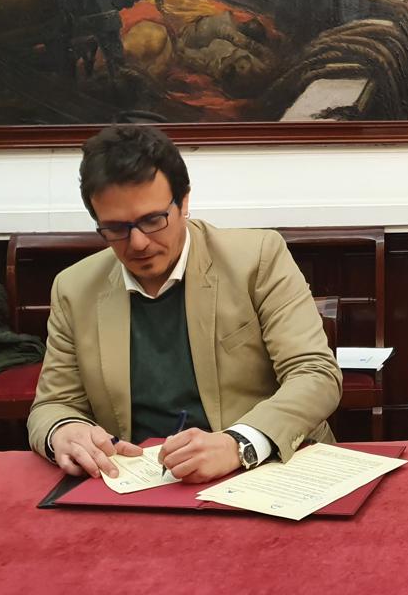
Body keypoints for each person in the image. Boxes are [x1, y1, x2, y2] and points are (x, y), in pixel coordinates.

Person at [28, 124, 341, 482]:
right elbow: (52, 405)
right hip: (141, 483)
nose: (139, 243)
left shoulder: (257, 258)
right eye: (115, 228)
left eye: (152, 220)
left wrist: (238, 443)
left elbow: (315, 374)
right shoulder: (74, 288)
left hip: (263, 473)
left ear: (184, 201)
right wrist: (63, 431)